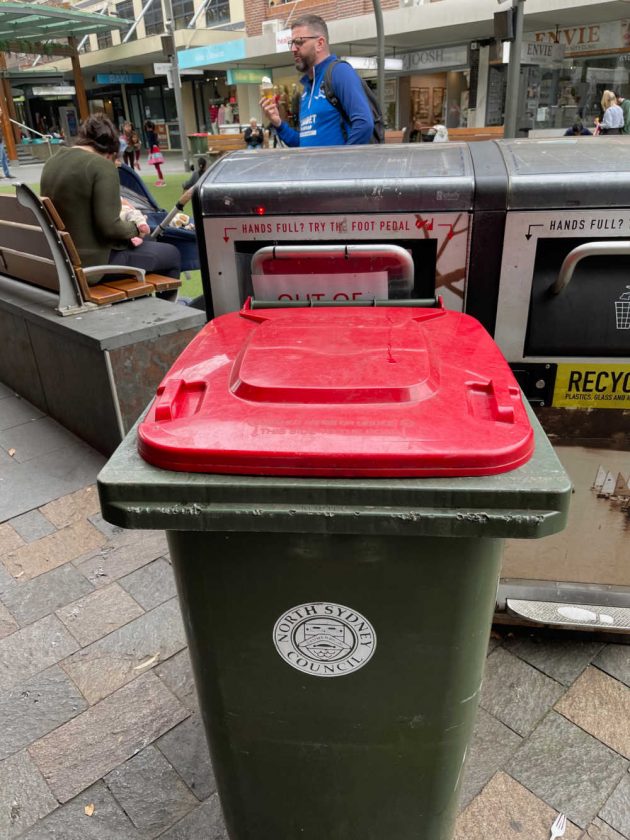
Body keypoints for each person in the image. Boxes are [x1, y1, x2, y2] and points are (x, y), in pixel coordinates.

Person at [40, 114, 181, 285]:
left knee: (150, 244)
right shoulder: (101, 166)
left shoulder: (53, 161)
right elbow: (110, 228)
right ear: (111, 154)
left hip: (61, 260)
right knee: (171, 254)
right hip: (90, 266)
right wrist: (137, 228)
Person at [260, 14, 373, 147]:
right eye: (292, 43)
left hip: (335, 167)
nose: (293, 49)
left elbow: (364, 124)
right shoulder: (307, 89)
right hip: (312, 167)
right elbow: (304, 144)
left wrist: (342, 163)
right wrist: (277, 123)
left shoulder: (339, 72)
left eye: (299, 42)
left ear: (320, 43)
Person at [144, 120, 165, 186]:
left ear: (147, 127)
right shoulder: (154, 133)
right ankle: (160, 179)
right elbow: (156, 142)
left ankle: (161, 180)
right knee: (157, 166)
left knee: (157, 166)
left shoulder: (149, 133)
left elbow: (151, 143)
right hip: (156, 149)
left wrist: (151, 152)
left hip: (154, 150)